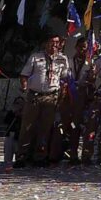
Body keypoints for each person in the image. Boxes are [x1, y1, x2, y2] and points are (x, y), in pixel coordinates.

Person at [18, 34, 72, 167]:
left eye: (57, 42)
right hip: (34, 96)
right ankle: (21, 156)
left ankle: (40, 156)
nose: (54, 45)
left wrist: (63, 94)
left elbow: (65, 78)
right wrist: (24, 86)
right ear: (46, 43)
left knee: (45, 128)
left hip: (51, 96)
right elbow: (24, 74)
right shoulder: (36, 57)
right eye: (51, 42)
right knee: (27, 127)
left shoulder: (62, 59)